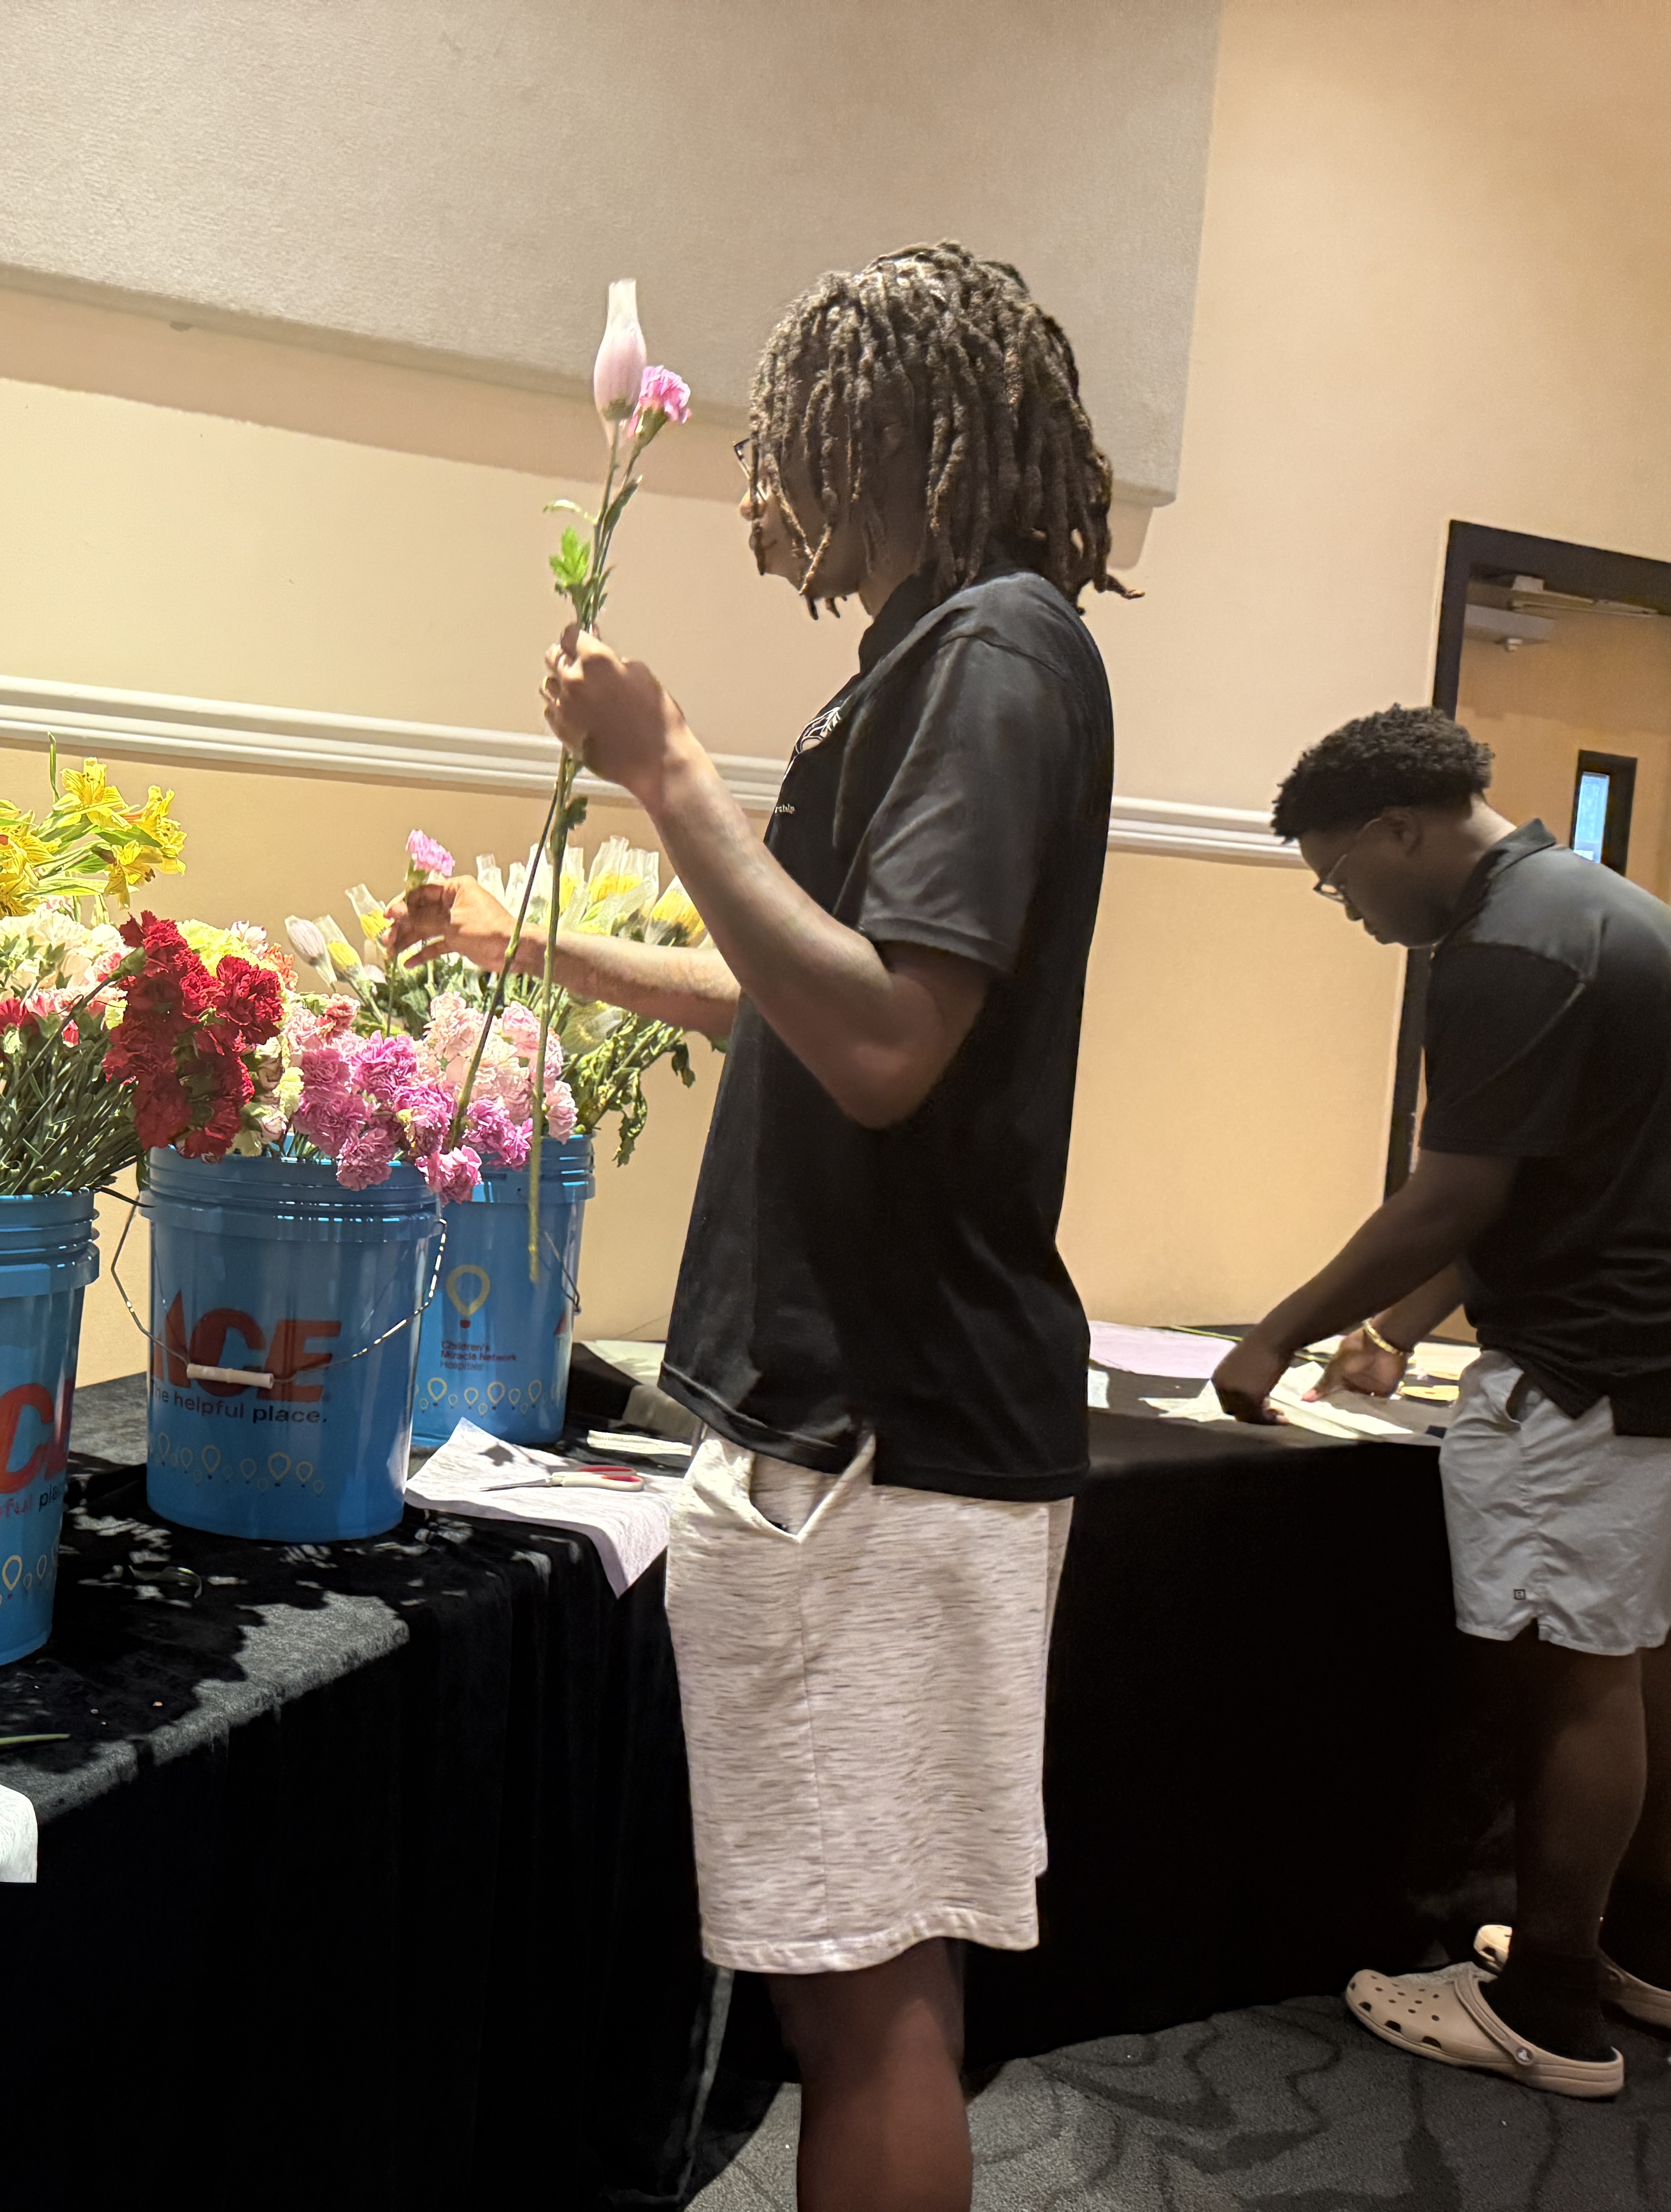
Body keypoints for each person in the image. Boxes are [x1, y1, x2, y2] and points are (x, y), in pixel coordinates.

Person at [394, 241, 1122, 2212]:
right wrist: (521, 936)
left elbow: (885, 1041)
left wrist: (668, 770)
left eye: (795, 444)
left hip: (880, 1439)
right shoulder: (942, 654)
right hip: (866, 1437)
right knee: (867, 1979)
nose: (762, 493)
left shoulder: (994, 651)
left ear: (891, 430)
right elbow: (788, 1008)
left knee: (859, 1998)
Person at [1211, 706, 1671, 2099]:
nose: (1343, 904)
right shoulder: (1599, 908)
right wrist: (1400, 1326)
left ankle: (1548, 2002)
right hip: (1649, 1352)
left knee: (1570, 1671)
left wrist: (1271, 1338)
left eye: (1337, 872)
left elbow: (1461, 1188)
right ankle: (1633, 1947)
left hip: (1584, 1364)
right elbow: (1545, 1174)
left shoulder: (1504, 950)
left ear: (1400, 828)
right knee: (1641, 1654)